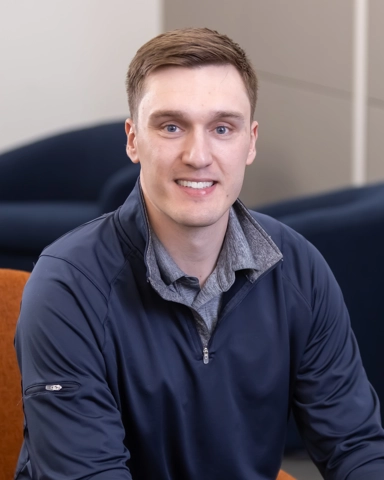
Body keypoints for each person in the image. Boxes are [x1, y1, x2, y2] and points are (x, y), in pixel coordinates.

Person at [14, 28, 384, 480]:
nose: (198, 155)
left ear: (250, 142)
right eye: (171, 126)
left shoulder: (299, 269)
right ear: (133, 140)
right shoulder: (67, 288)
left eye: (222, 128)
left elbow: (356, 445)